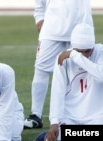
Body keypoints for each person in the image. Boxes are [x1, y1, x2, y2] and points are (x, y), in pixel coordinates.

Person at [24, 0, 94, 129]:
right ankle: (36, 115)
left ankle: (82, 114)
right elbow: (40, 3)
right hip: (52, 29)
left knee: (81, 72)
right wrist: (39, 17)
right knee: (41, 69)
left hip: (81, 29)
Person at [44, 23, 103, 141]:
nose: (84, 56)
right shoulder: (62, 59)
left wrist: (74, 55)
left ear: (93, 46)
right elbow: (57, 91)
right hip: (69, 116)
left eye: (87, 51)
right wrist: (54, 122)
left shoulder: (100, 51)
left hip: (96, 117)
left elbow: (100, 75)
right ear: (72, 46)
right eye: (79, 51)